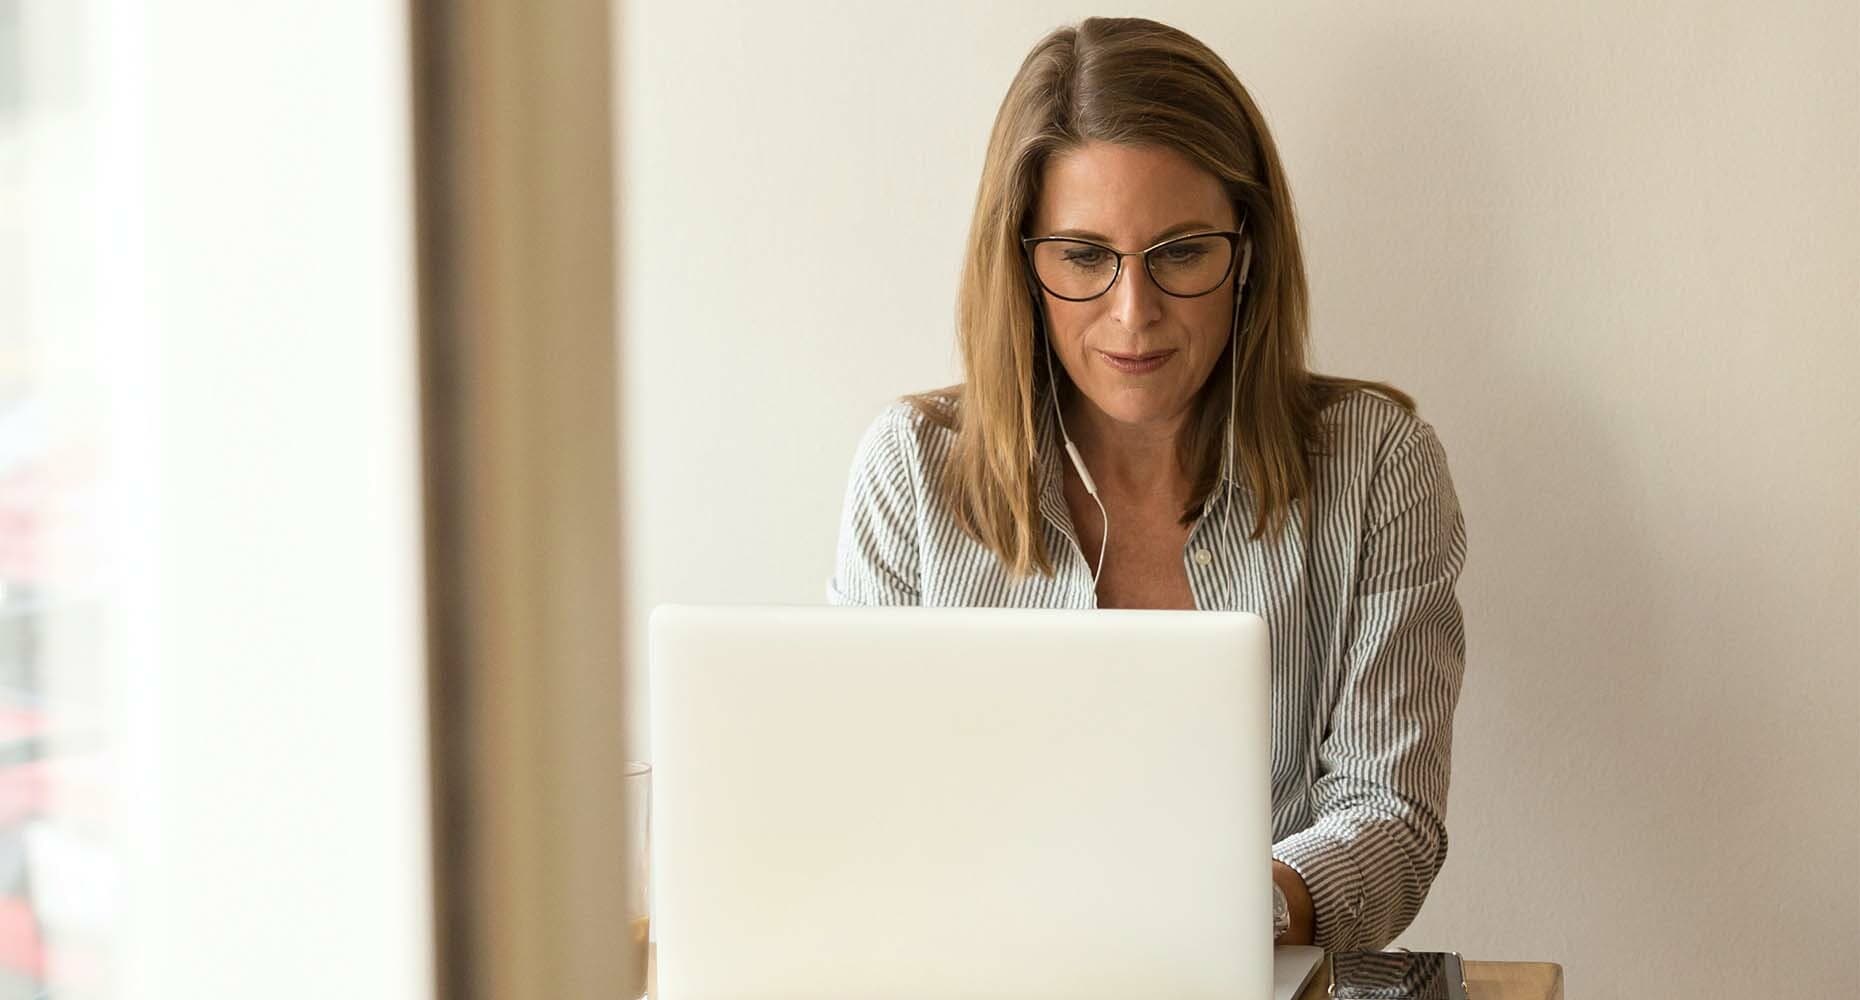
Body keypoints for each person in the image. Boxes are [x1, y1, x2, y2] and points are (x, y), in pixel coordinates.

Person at [828, 15, 1467, 953]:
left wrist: (1228, 918)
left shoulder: (1377, 467)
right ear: (1022, 263)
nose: (1135, 315)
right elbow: (859, 810)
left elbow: (1391, 816)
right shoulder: (911, 473)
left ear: (1246, 251)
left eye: (1180, 253)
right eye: (1084, 257)